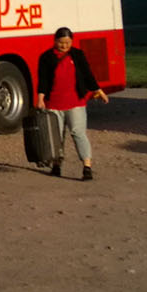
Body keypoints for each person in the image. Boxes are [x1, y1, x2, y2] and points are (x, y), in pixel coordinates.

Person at [36, 27, 108, 180]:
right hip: (54, 103)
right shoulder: (46, 57)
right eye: (61, 42)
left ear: (72, 42)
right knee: (56, 136)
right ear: (55, 41)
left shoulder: (77, 55)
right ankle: (57, 164)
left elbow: (88, 74)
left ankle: (87, 166)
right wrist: (40, 98)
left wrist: (98, 90)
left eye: (67, 42)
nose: (64, 45)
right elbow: (42, 80)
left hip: (76, 102)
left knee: (78, 133)